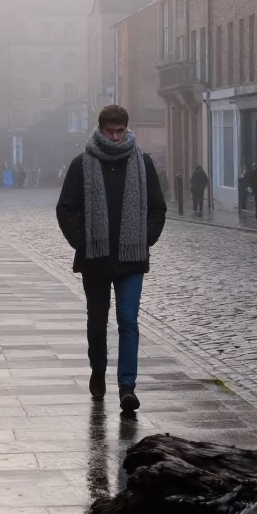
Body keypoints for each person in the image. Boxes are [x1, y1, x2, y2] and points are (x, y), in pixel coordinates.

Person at [55, 104, 166, 413]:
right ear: (100, 129)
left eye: (120, 131)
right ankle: (98, 371)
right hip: (96, 260)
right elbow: (65, 208)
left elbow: (158, 208)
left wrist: (145, 239)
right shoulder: (83, 164)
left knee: (128, 321)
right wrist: (83, 242)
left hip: (131, 259)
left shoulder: (142, 163)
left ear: (126, 129)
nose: (116, 137)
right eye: (110, 131)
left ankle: (127, 386)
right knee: (98, 321)